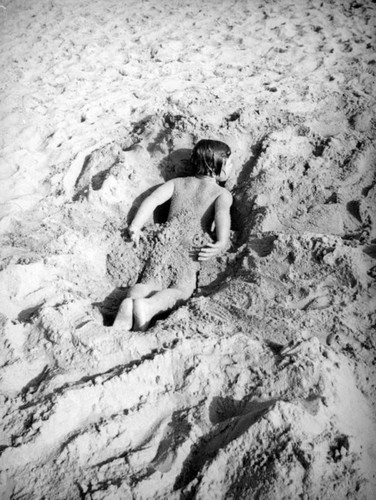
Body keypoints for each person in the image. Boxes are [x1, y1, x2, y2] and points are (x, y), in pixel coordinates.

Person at [113, 139, 233, 331]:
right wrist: (221, 242)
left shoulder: (177, 183)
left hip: (165, 239)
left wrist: (136, 226)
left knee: (149, 282)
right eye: (229, 163)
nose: (232, 166)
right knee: (180, 290)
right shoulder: (221, 194)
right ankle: (148, 307)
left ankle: (131, 301)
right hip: (190, 247)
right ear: (215, 166)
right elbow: (221, 216)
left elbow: (153, 200)